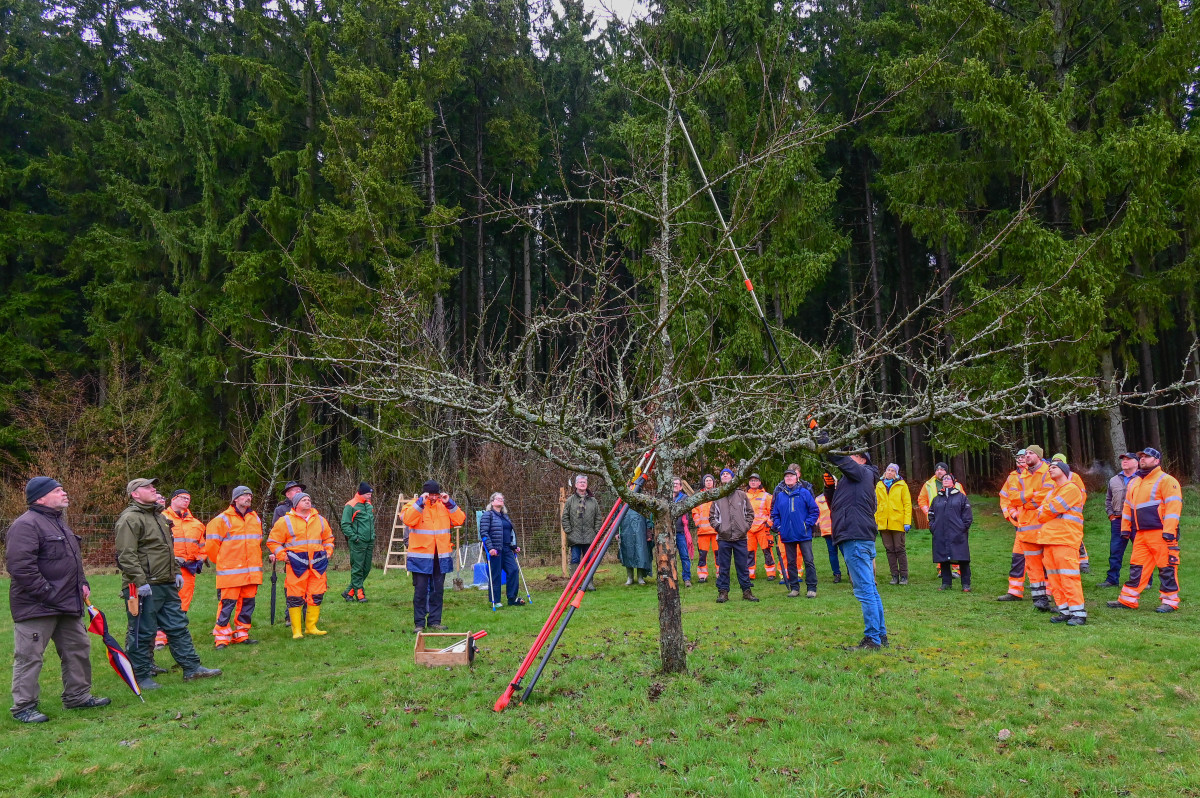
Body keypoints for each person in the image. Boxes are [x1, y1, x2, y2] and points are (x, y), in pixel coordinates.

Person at [8, 477, 109, 723]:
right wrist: (47, 593)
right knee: (29, 656)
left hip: (68, 603)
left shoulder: (60, 524)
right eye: (58, 490)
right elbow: (20, 567)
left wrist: (82, 583)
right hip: (36, 606)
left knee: (78, 649)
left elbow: (73, 560)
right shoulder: (26, 525)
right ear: (40, 498)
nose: (65, 493)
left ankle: (78, 697)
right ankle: (24, 707)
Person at [116, 478, 221, 689]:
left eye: (153, 486)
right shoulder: (130, 519)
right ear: (135, 494)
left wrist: (175, 572)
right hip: (144, 586)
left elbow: (166, 550)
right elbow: (126, 555)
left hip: (166, 582)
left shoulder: (158, 517)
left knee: (178, 625)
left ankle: (192, 668)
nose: (153, 489)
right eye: (147, 487)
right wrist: (140, 581)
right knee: (143, 632)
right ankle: (141, 676)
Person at [820, 435, 886, 649]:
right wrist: (830, 488)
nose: (848, 457)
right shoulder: (853, 481)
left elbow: (839, 459)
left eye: (852, 455)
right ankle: (880, 636)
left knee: (865, 590)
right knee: (871, 590)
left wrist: (822, 437)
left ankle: (873, 639)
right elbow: (837, 507)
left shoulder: (863, 473)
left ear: (863, 460)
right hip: (855, 536)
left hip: (855, 537)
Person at [1109, 447, 1183, 613]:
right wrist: (1125, 528)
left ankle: (1170, 601)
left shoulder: (1166, 480)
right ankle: (1128, 599)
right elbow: (1127, 506)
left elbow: (1173, 506)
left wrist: (1169, 531)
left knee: (1167, 567)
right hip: (1141, 533)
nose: (1142, 459)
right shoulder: (1135, 482)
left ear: (1156, 461)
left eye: (1147, 457)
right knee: (1137, 567)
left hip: (1161, 533)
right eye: (1141, 456)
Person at [268, 492, 335, 639]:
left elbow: (328, 538)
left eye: (309, 499)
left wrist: (328, 551)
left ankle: (311, 627)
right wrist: (283, 556)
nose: (307, 501)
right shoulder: (285, 521)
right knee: (295, 596)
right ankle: (297, 631)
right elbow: (273, 541)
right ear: (296, 504)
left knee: (316, 595)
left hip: (317, 565)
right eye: (304, 500)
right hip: (296, 565)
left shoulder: (321, 520)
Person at [402, 480, 466, 633]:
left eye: (436, 495)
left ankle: (435, 621)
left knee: (438, 591)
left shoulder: (444, 506)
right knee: (420, 592)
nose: (433, 498)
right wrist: (420, 503)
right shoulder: (413, 505)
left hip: (440, 557)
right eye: (431, 495)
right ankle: (419, 624)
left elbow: (460, 519)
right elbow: (408, 519)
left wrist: (449, 502)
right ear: (425, 494)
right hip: (420, 557)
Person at [205, 486, 264, 648]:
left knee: (247, 605)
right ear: (235, 499)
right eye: (244, 495)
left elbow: (257, 542)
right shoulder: (222, 519)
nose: (248, 497)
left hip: (251, 573)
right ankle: (222, 638)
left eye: (250, 495)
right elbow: (211, 546)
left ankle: (241, 634)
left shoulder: (255, 518)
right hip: (230, 573)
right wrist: (224, 562)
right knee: (227, 605)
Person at [997, 445, 1054, 608]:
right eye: (1022, 455)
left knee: (1046, 561)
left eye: (1028, 454)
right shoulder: (1015, 476)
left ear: (1038, 456)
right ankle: (1015, 591)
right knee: (1019, 559)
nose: (1024, 458)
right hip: (1023, 525)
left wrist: (1025, 502)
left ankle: (1048, 593)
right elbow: (1009, 498)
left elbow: (1045, 497)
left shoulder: (1047, 472)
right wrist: (1012, 513)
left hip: (1043, 526)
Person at [155, 489, 206, 650]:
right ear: (173, 499)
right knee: (163, 602)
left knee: (183, 603)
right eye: (183, 498)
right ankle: (160, 638)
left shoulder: (196, 524)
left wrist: (200, 560)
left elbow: (203, 546)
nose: (186, 501)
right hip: (166, 569)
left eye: (188, 499)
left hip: (188, 570)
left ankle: (175, 635)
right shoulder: (161, 518)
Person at [1038, 460, 1087, 625]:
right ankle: (1064, 611)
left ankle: (1079, 614)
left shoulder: (1071, 488)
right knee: (1054, 578)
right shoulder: (1052, 492)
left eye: (1054, 467)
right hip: (1049, 540)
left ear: (1064, 471)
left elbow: (1051, 509)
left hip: (1065, 539)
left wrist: (1048, 510)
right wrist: (1048, 510)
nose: (1050, 469)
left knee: (1068, 577)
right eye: (1049, 467)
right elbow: (1041, 513)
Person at [709, 468, 757, 602]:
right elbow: (712, 516)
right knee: (723, 566)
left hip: (741, 537)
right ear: (721, 479)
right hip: (724, 538)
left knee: (743, 566)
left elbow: (750, 513)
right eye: (722, 474)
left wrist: (745, 527)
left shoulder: (741, 495)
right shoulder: (717, 496)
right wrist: (720, 528)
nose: (725, 475)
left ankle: (747, 591)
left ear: (732, 477)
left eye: (727, 474)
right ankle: (723, 592)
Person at [771, 465, 819, 598]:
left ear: (797, 478)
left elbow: (814, 511)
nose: (789, 478)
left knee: (808, 560)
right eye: (786, 476)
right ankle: (794, 588)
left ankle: (811, 588)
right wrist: (779, 526)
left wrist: (806, 525)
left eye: (791, 476)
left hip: (803, 534)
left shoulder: (804, 493)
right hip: (787, 534)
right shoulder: (780, 496)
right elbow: (775, 514)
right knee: (791, 562)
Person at [1099, 453, 1141, 588]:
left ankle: (1144, 581)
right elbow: (1108, 500)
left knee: (1141, 551)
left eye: (1128, 459)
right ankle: (1112, 579)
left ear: (1137, 463)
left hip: (1137, 520)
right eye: (1123, 459)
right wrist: (1111, 515)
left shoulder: (1143, 479)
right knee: (1115, 551)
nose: (1125, 461)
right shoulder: (1113, 480)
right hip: (1118, 520)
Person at [929, 473, 973, 592]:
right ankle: (946, 583)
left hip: (958, 533)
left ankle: (966, 584)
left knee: (962, 558)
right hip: (940, 532)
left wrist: (962, 528)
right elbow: (931, 514)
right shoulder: (937, 498)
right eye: (944, 479)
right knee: (943, 558)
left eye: (948, 478)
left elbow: (968, 516)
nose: (945, 480)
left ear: (954, 482)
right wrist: (933, 527)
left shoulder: (961, 497)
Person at [479, 492, 524, 608]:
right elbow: (484, 533)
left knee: (513, 570)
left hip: (507, 549)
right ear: (492, 502)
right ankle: (496, 600)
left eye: (502, 499)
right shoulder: (487, 515)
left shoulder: (505, 516)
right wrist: (490, 548)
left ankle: (512, 598)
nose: (501, 501)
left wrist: (514, 546)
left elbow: (510, 533)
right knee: (496, 575)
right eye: (498, 499)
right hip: (495, 549)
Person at [874, 463, 913, 585]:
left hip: (898, 521)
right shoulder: (879, 485)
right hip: (883, 523)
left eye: (892, 471)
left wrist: (907, 521)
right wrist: (875, 522)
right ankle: (894, 575)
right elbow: (875, 504)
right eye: (888, 470)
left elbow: (907, 504)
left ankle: (904, 576)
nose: (889, 472)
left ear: (896, 473)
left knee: (899, 549)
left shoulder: (902, 485)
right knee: (889, 549)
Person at [561, 474, 601, 592]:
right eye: (580, 482)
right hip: (575, 537)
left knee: (589, 561)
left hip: (590, 537)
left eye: (584, 482)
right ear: (576, 485)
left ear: (587, 485)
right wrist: (569, 531)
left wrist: (596, 532)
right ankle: (575, 585)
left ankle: (589, 583)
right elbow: (565, 518)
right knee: (575, 560)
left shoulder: (593, 501)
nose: (582, 484)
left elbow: (598, 518)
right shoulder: (570, 501)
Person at [1052, 453, 1090, 574]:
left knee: (1077, 540)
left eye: (1059, 461)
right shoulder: (1051, 476)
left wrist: (1078, 506)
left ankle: (1083, 563)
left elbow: (1082, 493)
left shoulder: (1074, 477)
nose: (1056, 463)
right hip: (1056, 515)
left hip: (1071, 514)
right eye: (1054, 461)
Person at [340, 482, 376, 603]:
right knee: (357, 568)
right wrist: (354, 537)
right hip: (358, 542)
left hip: (369, 541)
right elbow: (345, 524)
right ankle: (359, 594)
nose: (370, 496)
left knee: (366, 568)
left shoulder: (369, 505)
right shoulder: (351, 505)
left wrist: (372, 536)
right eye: (367, 494)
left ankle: (349, 592)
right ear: (361, 493)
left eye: (370, 494)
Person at [744, 474, 776, 580]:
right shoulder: (744, 496)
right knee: (749, 552)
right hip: (749, 529)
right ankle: (750, 574)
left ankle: (771, 573)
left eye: (755, 480)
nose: (753, 482)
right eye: (751, 480)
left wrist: (769, 524)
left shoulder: (766, 496)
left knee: (767, 551)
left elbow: (773, 511)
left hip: (762, 528)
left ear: (759, 482)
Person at [617, 505, 655, 585]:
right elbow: (616, 519)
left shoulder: (642, 502)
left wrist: (649, 532)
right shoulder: (622, 504)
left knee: (641, 554)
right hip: (626, 532)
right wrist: (617, 532)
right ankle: (630, 577)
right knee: (628, 553)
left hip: (641, 532)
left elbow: (648, 517)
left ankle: (640, 577)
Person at [691, 474, 719, 583]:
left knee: (719, 554)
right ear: (704, 482)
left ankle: (720, 574)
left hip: (716, 530)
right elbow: (695, 511)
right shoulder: (699, 496)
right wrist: (698, 523)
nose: (708, 482)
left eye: (710, 480)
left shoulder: (718, 495)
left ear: (713, 482)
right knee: (702, 555)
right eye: (706, 480)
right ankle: (702, 575)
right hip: (703, 532)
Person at [671, 478, 693, 588]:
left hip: (680, 532)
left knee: (684, 556)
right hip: (669, 533)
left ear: (680, 487)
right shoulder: (666, 498)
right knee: (670, 556)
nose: (674, 485)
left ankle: (687, 578)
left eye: (677, 484)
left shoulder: (685, 498)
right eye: (673, 484)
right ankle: (672, 578)